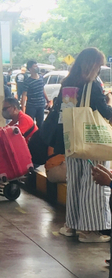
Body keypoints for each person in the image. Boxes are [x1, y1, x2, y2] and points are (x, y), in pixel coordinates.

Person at [57, 48, 112, 243]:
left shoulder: (67, 83)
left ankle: (70, 226)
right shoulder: (93, 86)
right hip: (91, 141)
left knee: (75, 182)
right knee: (93, 184)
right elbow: (104, 111)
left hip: (71, 140)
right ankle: (89, 231)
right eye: (99, 64)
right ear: (93, 64)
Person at [19, 60, 50, 127]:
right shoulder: (27, 81)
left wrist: (47, 100)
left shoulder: (41, 78)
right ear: (30, 69)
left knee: (40, 124)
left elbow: (42, 89)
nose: (36, 67)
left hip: (41, 105)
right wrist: (23, 108)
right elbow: (24, 95)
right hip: (31, 106)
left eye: (36, 66)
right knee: (30, 125)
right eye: (34, 66)